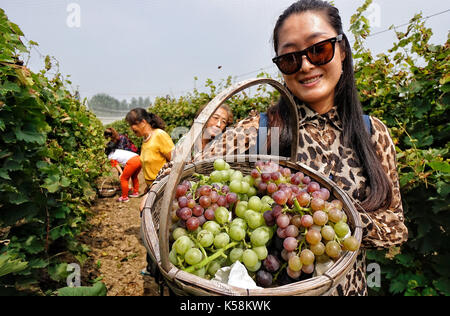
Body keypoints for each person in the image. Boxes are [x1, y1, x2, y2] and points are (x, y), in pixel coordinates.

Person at [192, 0, 408, 295]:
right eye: (290, 59)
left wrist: (324, 218)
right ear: (281, 68)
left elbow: (395, 227)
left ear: (342, 50)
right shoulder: (262, 130)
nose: (306, 65)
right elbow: (185, 166)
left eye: (319, 49)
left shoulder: (372, 134)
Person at [125, 108, 174, 189]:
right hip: (152, 187)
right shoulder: (145, 140)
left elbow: (175, 161)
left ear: (143, 122)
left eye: (132, 124)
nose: (131, 128)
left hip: (162, 186)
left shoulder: (159, 135)